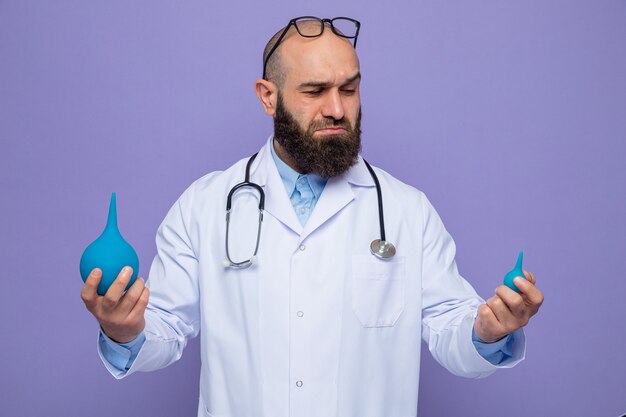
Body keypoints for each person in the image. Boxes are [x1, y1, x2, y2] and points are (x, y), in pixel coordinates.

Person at [81, 16, 544, 417]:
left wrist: (486, 332)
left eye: (350, 87)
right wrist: (125, 330)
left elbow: (450, 325)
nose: (337, 109)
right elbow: (166, 326)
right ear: (268, 97)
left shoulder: (406, 210)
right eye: (315, 91)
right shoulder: (205, 205)